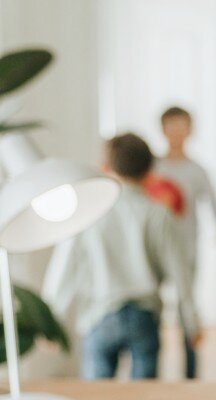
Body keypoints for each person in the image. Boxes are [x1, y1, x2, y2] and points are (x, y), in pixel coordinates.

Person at [44, 133, 199, 381]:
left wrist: (49, 324)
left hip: (98, 316)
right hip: (144, 317)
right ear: (150, 171)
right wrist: (191, 323)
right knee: (144, 398)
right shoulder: (159, 215)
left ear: (104, 167)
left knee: (100, 399)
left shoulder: (87, 214)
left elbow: (64, 271)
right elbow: (181, 276)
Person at [155, 105, 216, 380]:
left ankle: (190, 370)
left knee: (187, 304)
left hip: (186, 247)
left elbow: (212, 199)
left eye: (181, 127)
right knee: (154, 303)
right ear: (162, 130)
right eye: (170, 127)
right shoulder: (153, 167)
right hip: (156, 249)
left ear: (190, 130)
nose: (176, 133)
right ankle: (150, 364)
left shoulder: (197, 170)